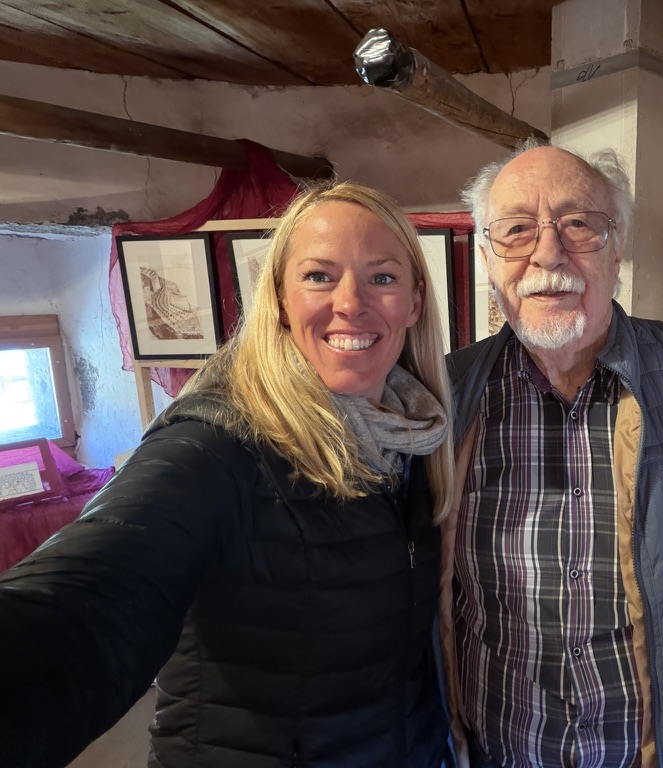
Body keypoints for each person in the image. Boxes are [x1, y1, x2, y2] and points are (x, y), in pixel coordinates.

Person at [0, 182, 456, 768]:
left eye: (382, 277)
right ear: (281, 300)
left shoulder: (415, 437)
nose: (350, 302)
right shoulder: (218, 443)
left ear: (414, 303)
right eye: (319, 276)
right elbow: (89, 595)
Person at [439, 141, 663, 768]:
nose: (548, 254)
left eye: (579, 224)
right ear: (487, 258)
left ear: (618, 247)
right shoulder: (451, 393)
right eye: (517, 229)